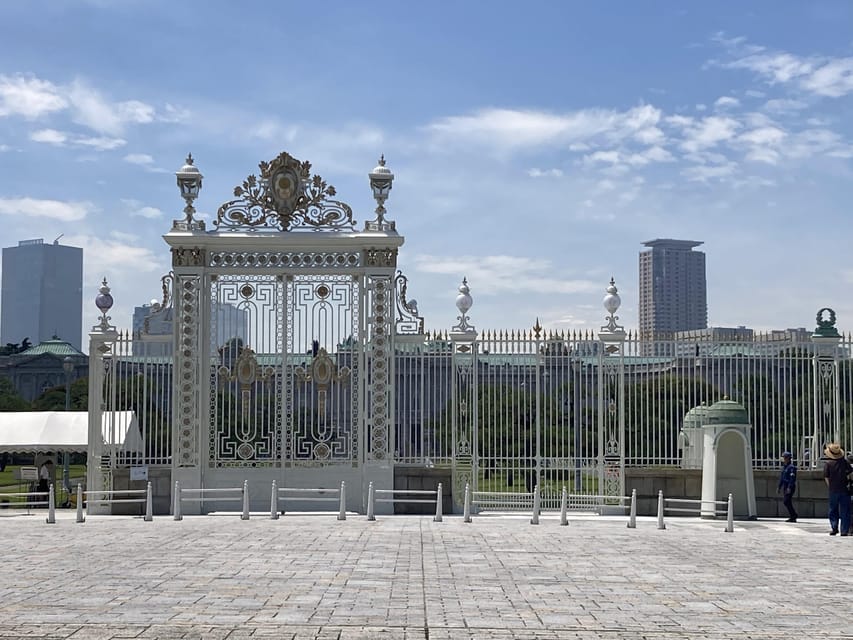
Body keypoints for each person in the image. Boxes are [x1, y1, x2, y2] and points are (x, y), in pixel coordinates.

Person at [822, 443, 852, 536]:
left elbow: (826, 477)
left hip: (833, 490)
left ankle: (834, 527)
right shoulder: (845, 462)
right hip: (844, 489)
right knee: (845, 511)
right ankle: (844, 530)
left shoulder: (828, 464)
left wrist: (830, 487)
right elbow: (850, 474)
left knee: (833, 510)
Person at [777, 451, 797, 522]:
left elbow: (792, 478)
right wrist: (779, 487)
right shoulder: (784, 467)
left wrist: (789, 487)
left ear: (787, 458)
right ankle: (793, 516)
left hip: (789, 486)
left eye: (784, 457)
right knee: (787, 501)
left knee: (786, 501)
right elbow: (782, 478)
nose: (783, 459)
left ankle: (793, 515)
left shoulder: (791, 467)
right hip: (785, 486)